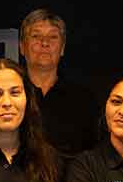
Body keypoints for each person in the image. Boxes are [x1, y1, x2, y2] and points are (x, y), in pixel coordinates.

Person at [18, 8, 98, 156]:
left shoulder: (83, 100)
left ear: (62, 48)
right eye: (36, 36)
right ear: (22, 47)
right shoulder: (10, 96)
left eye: (53, 37)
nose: (44, 43)